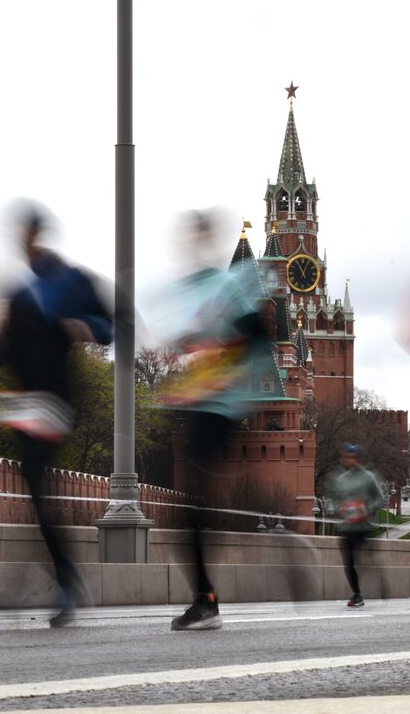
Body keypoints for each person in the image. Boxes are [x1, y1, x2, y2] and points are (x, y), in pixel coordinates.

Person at [153, 210, 275, 631]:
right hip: (201, 404)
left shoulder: (226, 285)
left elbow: (257, 335)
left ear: (207, 239)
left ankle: (206, 601)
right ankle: (206, 598)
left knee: (191, 505)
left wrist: (219, 358)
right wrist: (184, 347)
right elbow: (201, 341)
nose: (193, 242)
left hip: (222, 406)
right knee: (192, 503)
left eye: (199, 235)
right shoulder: (192, 288)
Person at [0, 207, 112, 628]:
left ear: (40, 234)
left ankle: (65, 581)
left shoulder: (67, 281)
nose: (25, 241)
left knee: (38, 486)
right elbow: (3, 355)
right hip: (26, 403)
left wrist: (84, 325)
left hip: (55, 400)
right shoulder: (20, 292)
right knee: (35, 491)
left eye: (29, 233)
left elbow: (112, 321)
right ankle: (60, 580)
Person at [330, 444, 384, 608]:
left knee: (365, 559)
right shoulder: (340, 480)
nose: (348, 460)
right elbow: (331, 500)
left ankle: (379, 581)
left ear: (357, 459)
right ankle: (357, 594)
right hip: (346, 527)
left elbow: (380, 498)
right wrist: (335, 509)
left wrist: (366, 509)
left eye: (352, 457)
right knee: (349, 562)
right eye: (346, 457)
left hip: (363, 526)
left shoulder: (368, 477)